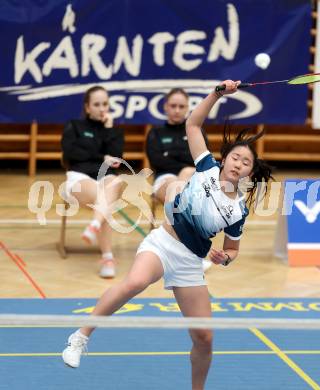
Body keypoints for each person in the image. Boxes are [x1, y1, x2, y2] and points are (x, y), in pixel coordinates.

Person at [62, 80, 273, 389]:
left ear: (250, 173)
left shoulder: (239, 210)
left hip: (191, 262)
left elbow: (233, 250)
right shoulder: (205, 168)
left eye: (246, 162)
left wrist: (223, 258)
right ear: (224, 158)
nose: (238, 164)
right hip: (164, 244)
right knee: (134, 282)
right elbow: (194, 123)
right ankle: (80, 337)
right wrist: (217, 93)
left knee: (204, 336)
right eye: (235, 157)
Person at [61, 85, 124, 278]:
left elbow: (117, 160)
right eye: (96, 104)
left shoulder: (112, 129)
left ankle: (94, 226)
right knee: (105, 202)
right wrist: (100, 157)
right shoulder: (74, 125)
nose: (102, 108)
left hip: (105, 179)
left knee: (116, 181)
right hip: (79, 178)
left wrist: (109, 129)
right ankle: (107, 257)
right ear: (87, 107)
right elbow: (71, 153)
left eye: (105, 103)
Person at [146, 87, 212, 271]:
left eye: (181, 106)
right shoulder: (155, 133)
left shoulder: (196, 131)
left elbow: (202, 160)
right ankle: (191, 255)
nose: (177, 110)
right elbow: (156, 161)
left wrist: (173, 158)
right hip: (164, 180)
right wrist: (183, 159)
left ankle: (173, 251)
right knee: (180, 190)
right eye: (173, 105)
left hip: (191, 180)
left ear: (187, 108)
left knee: (187, 174)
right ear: (165, 107)